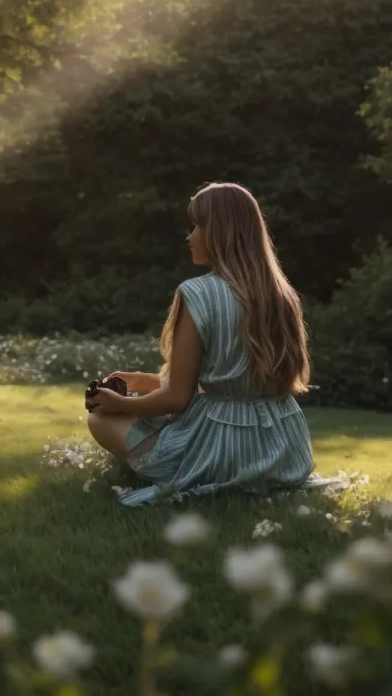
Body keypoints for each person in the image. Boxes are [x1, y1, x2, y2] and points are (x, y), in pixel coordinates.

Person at [84, 182, 315, 507]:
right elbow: (234, 383)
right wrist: (150, 382)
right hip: (285, 453)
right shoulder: (282, 294)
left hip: (218, 449)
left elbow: (177, 399)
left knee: (99, 420)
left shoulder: (197, 293)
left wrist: (118, 404)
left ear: (220, 231)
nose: (190, 236)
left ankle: (188, 472)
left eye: (198, 226)